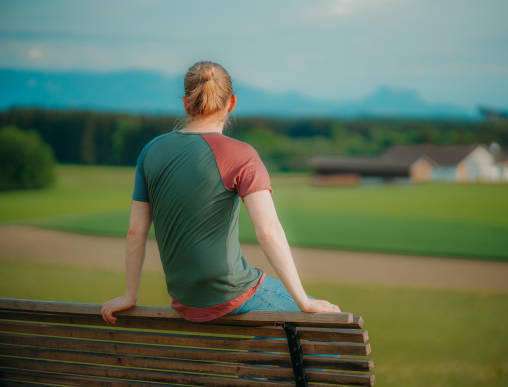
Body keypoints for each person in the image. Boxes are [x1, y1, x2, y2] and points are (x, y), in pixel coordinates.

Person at [101, 61, 340, 324]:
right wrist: (303, 301)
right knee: (326, 329)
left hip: (186, 301)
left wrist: (129, 295)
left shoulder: (151, 151)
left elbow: (136, 231)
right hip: (232, 293)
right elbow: (268, 231)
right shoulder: (242, 155)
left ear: (186, 104)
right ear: (232, 102)